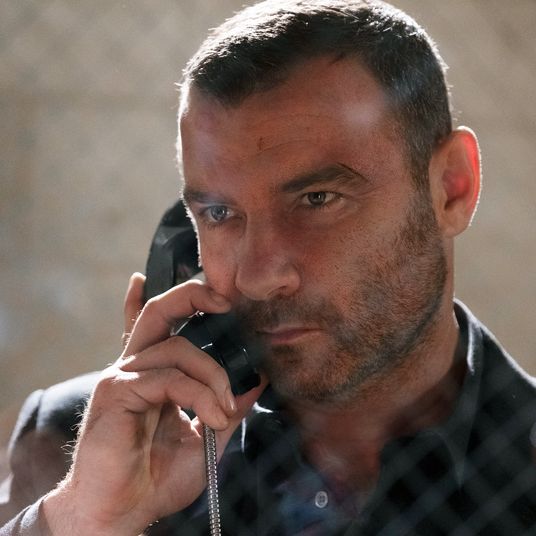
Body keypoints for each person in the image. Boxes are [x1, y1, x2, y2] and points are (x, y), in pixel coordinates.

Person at [1, 0, 535, 534]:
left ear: (451, 188)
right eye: (218, 214)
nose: (257, 277)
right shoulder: (81, 448)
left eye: (317, 199)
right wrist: (81, 516)